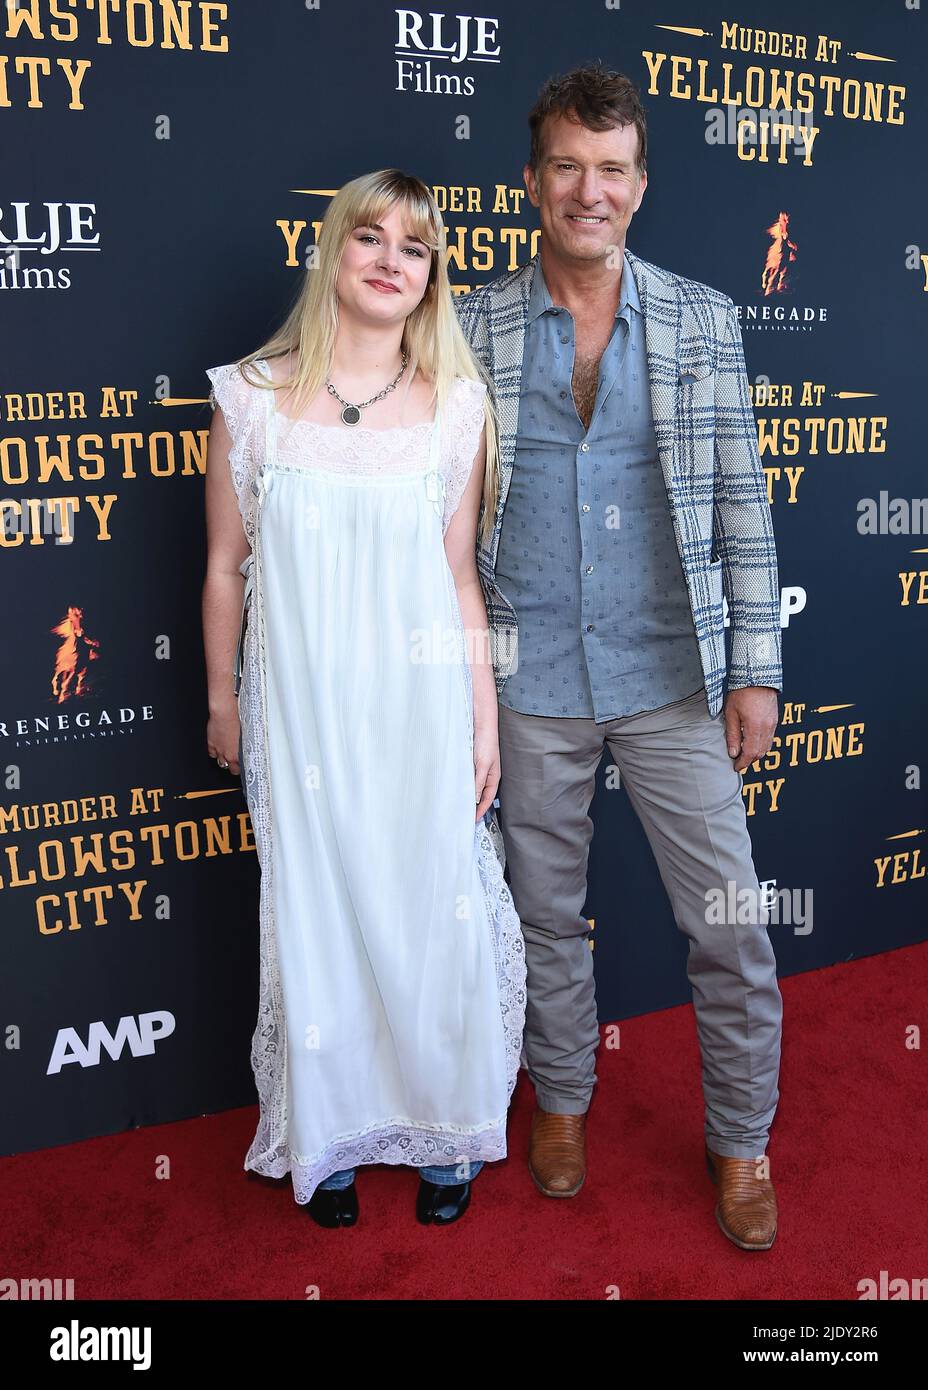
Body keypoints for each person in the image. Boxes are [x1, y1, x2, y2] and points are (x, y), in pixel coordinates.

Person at [454, 64, 784, 1250]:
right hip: (525, 678)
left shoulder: (703, 319)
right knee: (544, 915)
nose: (586, 191)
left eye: (610, 170)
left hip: (674, 677)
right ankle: (563, 1104)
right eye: (564, 168)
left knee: (729, 925)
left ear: (638, 186)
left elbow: (742, 501)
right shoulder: (469, 321)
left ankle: (740, 1139)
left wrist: (758, 667)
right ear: (531, 180)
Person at [202, 169, 526, 1229]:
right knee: (317, 915)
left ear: (432, 274)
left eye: (418, 246)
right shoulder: (249, 395)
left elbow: (459, 574)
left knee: (434, 912)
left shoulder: (458, 407)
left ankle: (445, 1128)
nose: (392, 259)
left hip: (420, 706)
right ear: (333, 251)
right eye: (371, 237)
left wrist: (481, 718)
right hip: (298, 712)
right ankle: (329, 1134)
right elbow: (223, 566)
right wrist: (221, 700)